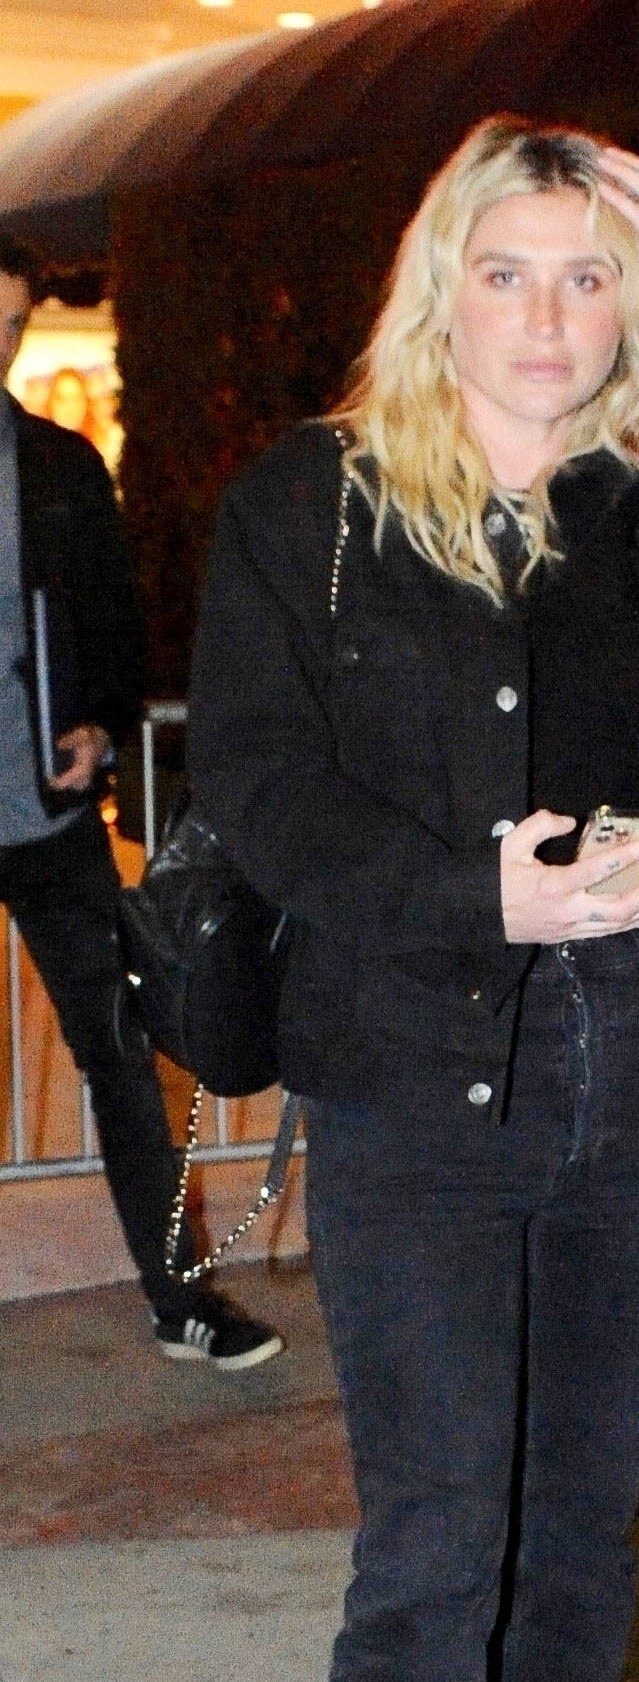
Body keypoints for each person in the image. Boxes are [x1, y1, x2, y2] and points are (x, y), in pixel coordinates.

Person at [187, 115, 639, 1681]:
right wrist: (472, 894)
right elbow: (259, 778)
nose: (547, 316)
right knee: (433, 1550)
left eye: (589, 277)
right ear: (440, 289)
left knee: (579, 1535)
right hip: (417, 1067)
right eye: (504, 274)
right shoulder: (313, 502)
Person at [0, 235, 282, 1370]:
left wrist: (99, 723)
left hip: (47, 816)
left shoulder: (58, 466)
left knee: (119, 1053)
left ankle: (181, 1298)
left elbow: (117, 625)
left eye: (13, 324)